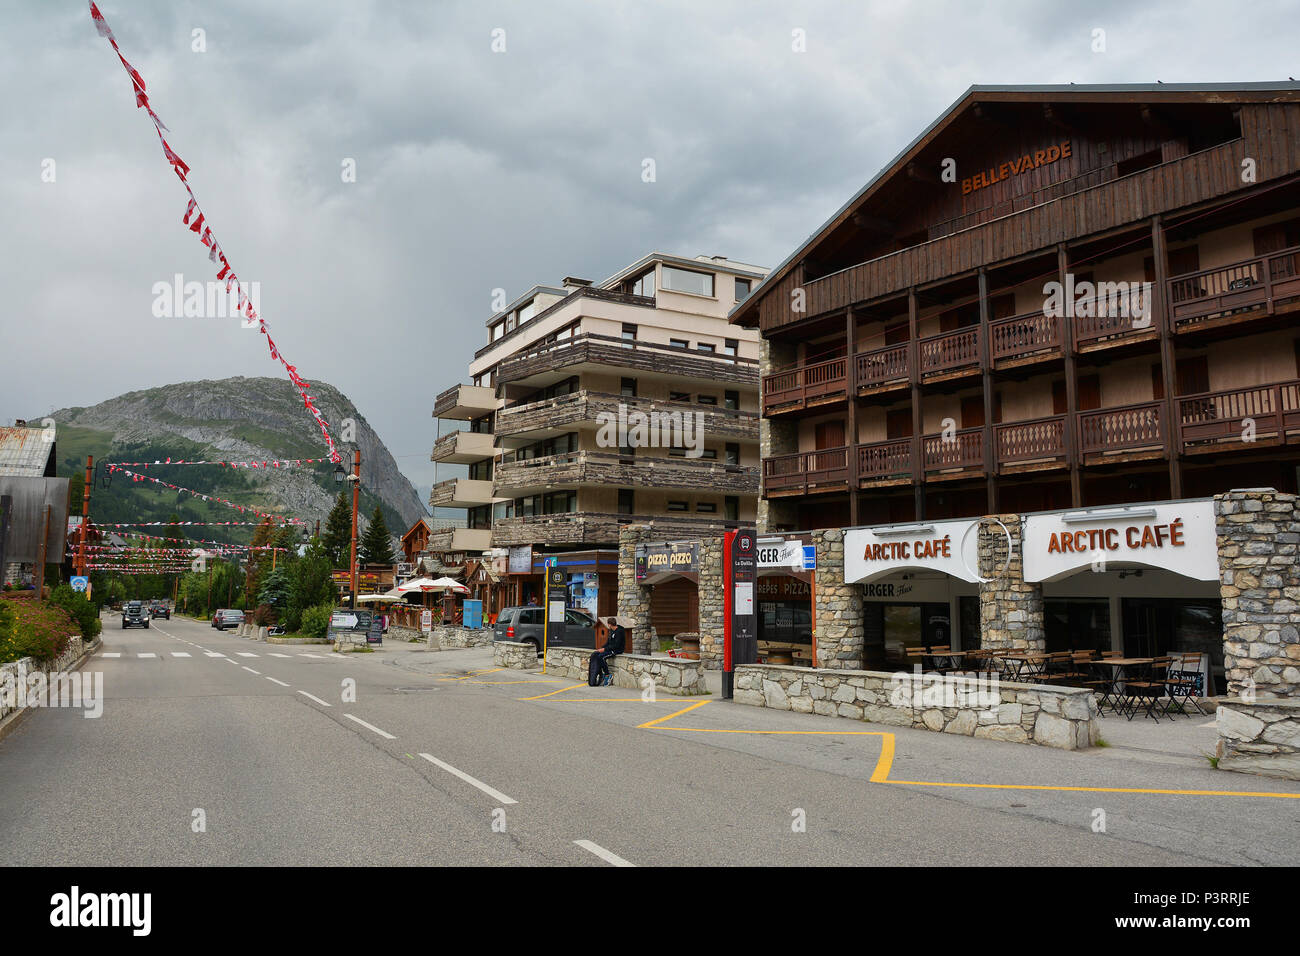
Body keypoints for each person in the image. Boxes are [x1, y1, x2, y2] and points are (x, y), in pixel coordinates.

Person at [591, 615, 628, 686]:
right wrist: (601, 648)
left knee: (601, 657)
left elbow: (616, 645)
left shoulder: (619, 631)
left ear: (610, 624)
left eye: (608, 624)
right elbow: (608, 642)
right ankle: (601, 674)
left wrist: (605, 649)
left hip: (617, 650)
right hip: (610, 648)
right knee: (598, 655)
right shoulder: (611, 631)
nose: (608, 625)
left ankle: (608, 675)